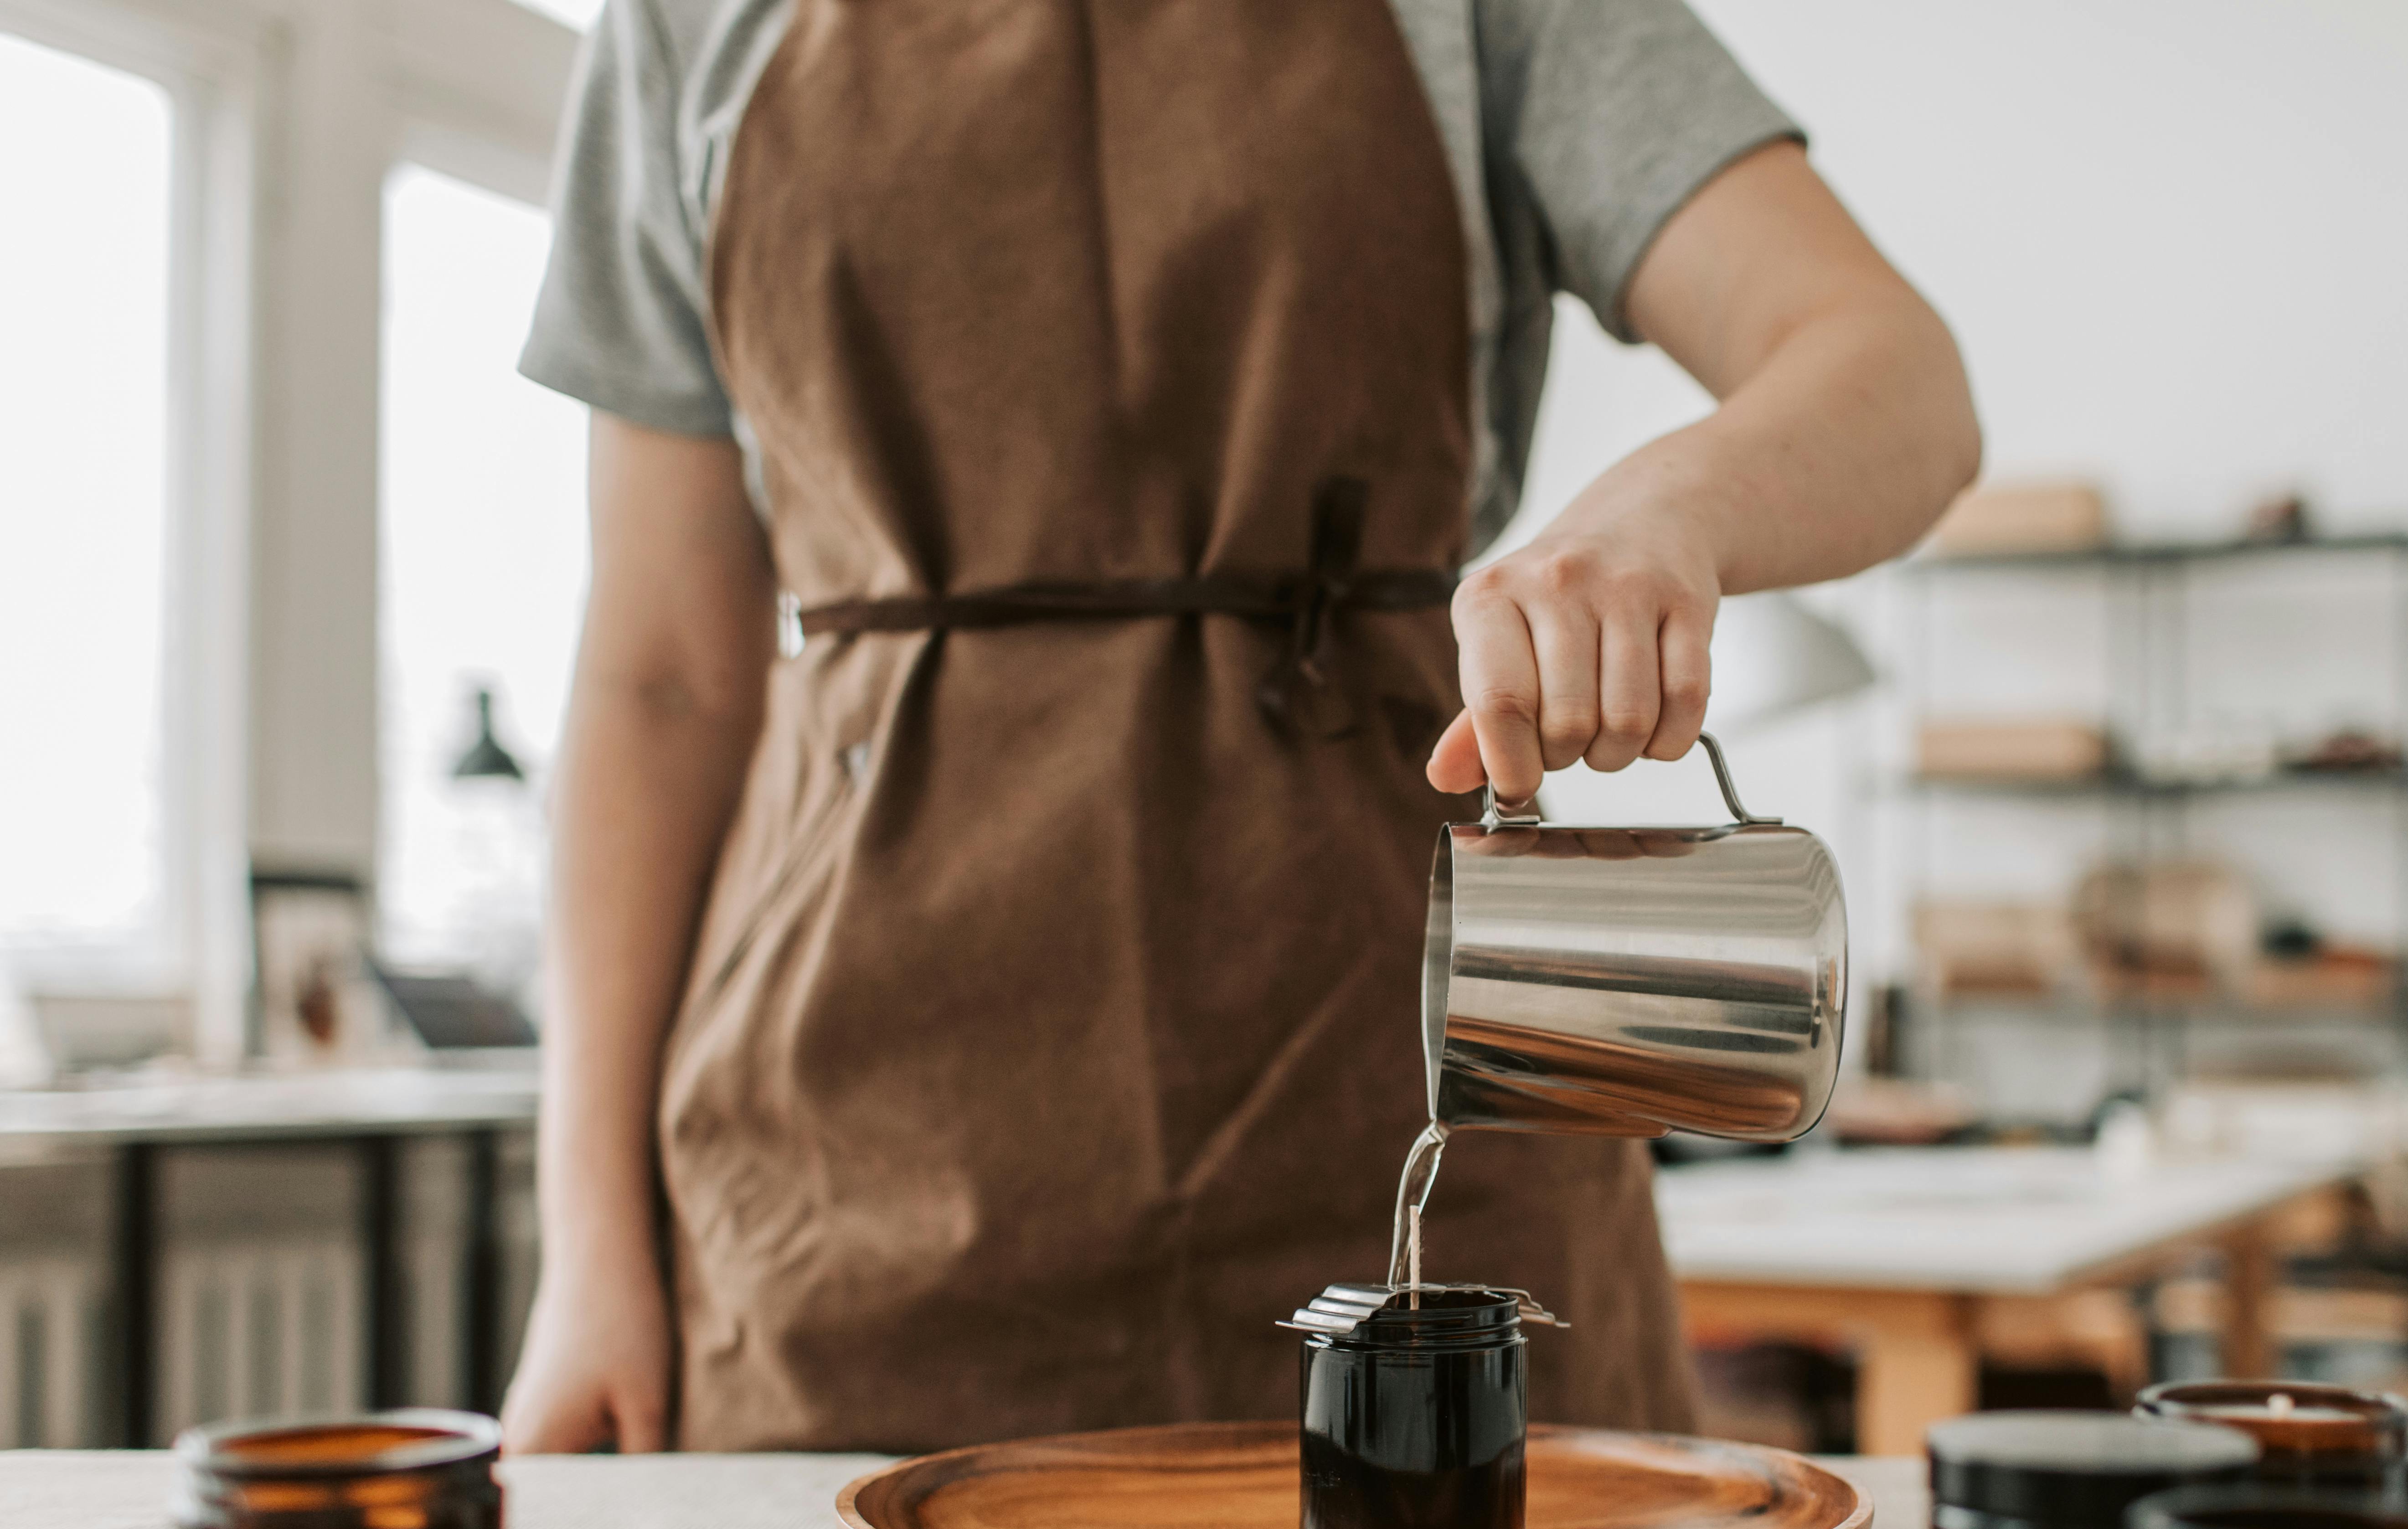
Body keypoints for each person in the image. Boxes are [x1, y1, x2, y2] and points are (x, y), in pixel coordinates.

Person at [500, 0, 1980, 1454]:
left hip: (1422, 1112)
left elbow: (1895, 375)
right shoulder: (685, 28)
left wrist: (1675, 506)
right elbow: (663, 681)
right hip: (846, 1177)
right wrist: (586, 1250)